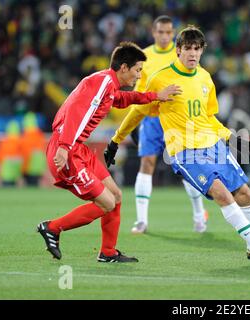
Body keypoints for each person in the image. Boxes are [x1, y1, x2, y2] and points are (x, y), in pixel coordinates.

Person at [105, 26, 250, 264]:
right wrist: (115, 140)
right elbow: (137, 111)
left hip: (213, 145)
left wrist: (231, 138)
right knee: (221, 193)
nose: (192, 54)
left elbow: (209, 118)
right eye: (187, 48)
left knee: (244, 194)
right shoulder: (161, 79)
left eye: (197, 49)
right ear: (178, 50)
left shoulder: (205, 78)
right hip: (185, 151)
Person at [36, 42, 181, 262]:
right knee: (107, 203)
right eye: (137, 70)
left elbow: (122, 99)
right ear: (124, 67)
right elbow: (78, 112)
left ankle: (108, 252)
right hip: (67, 147)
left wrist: (154, 96)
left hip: (78, 148)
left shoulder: (107, 84)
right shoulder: (102, 82)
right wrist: (65, 147)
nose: (139, 75)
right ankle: (52, 228)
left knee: (116, 195)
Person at [106, 16, 208, 235]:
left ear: (173, 35)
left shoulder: (182, 53)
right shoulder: (144, 56)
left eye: (169, 32)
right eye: (160, 32)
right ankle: (142, 220)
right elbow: (138, 90)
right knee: (148, 163)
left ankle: (199, 215)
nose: (165, 36)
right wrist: (136, 119)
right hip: (152, 118)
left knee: (187, 169)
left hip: (177, 118)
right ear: (154, 33)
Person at [21, 112, 46, 186]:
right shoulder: (39, 134)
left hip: (28, 167)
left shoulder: (26, 135)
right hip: (37, 167)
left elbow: (25, 153)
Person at [0, 120, 23, 186]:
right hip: (16, 172)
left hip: (6, 173)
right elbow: (23, 157)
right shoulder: (20, 142)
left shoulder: (5, 142)